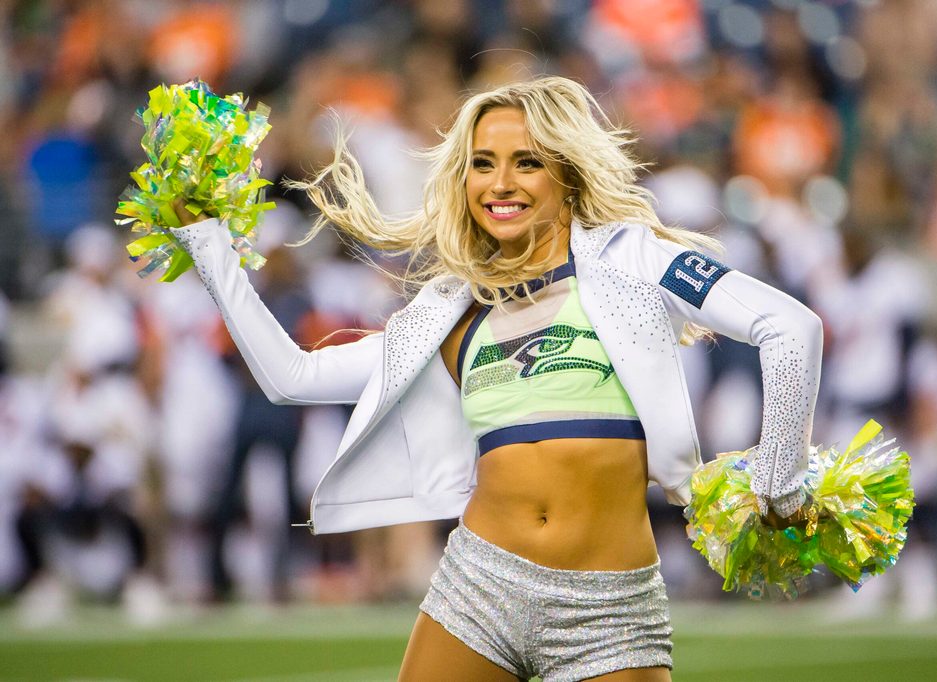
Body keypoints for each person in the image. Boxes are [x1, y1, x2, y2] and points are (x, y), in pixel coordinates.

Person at [170, 76, 822, 681]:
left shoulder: (636, 260)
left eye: (526, 162)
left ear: (565, 173)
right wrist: (207, 243)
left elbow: (792, 328)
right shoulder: (454, 308)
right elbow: (293, 377)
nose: (499, 183)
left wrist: (779, 483)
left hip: (610, 606)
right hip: (478, 588)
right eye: (482, 163)